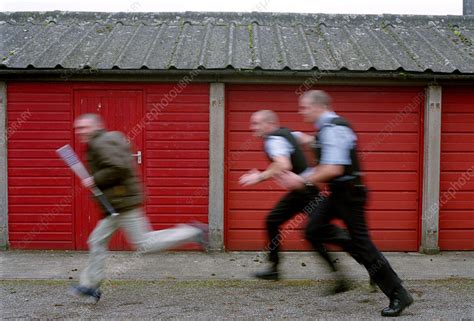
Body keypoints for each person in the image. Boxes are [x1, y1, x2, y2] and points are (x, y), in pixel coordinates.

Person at [277, 90, 413, 317]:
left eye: (304, 107)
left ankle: (399, 293)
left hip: (350, 194)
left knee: (363, 244)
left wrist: (301, 179)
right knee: (313, 229)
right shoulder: (325, 130)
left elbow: (334, 168)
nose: (301, 112)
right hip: (337, 193)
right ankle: (366, 258)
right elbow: (325, 161)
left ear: (318, 106)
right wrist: (303, 142)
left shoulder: (335, 128)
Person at [69, 113, 207, 303]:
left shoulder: (100, 143)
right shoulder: (104, 141)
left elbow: (119, 167)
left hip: (123, 203)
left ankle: (192, 232)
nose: (79, 132)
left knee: (144, 243)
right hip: (116, 205)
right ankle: (91, 286)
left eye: (83, 128)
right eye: (77, 128)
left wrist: (95, 179)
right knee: (97, 241)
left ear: (95, 127)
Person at [239, 110, 348, 291]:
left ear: (269, 124)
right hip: (300, 192)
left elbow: (283, 164)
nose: (252, 127)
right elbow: (310, 141)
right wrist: (315, 165)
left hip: (307, 192)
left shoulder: (273, 140)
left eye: (256, 123)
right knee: (273, 221)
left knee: (316, 233)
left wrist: (259, 177)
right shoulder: (289, 133)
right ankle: (274, 269)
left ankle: (360, 259)